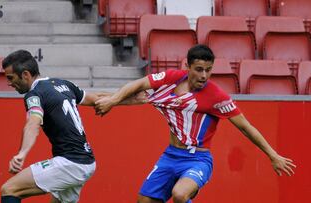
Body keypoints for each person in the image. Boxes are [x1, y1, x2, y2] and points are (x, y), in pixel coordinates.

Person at [95, 45, 296, 203]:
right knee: (144, 200)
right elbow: (138, 85)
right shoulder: (172, 79)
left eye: (208, 70)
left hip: (197, 159)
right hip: (170, 156)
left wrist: (273, 155)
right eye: (199, 69)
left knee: (180, 195)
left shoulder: (216, 96)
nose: (204, 76)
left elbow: (246, 127)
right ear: (187, 66)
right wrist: (112, 101)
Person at [0, 50, 144, 203]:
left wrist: (22, 153)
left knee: (10, 189)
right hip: (84, 161)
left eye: (10, 78)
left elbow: (33, 123)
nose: (9, 83)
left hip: (70, 163)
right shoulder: (63, 84)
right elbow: (96, 98)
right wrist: (130, 99)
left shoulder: (34, 94)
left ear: (26, 74)